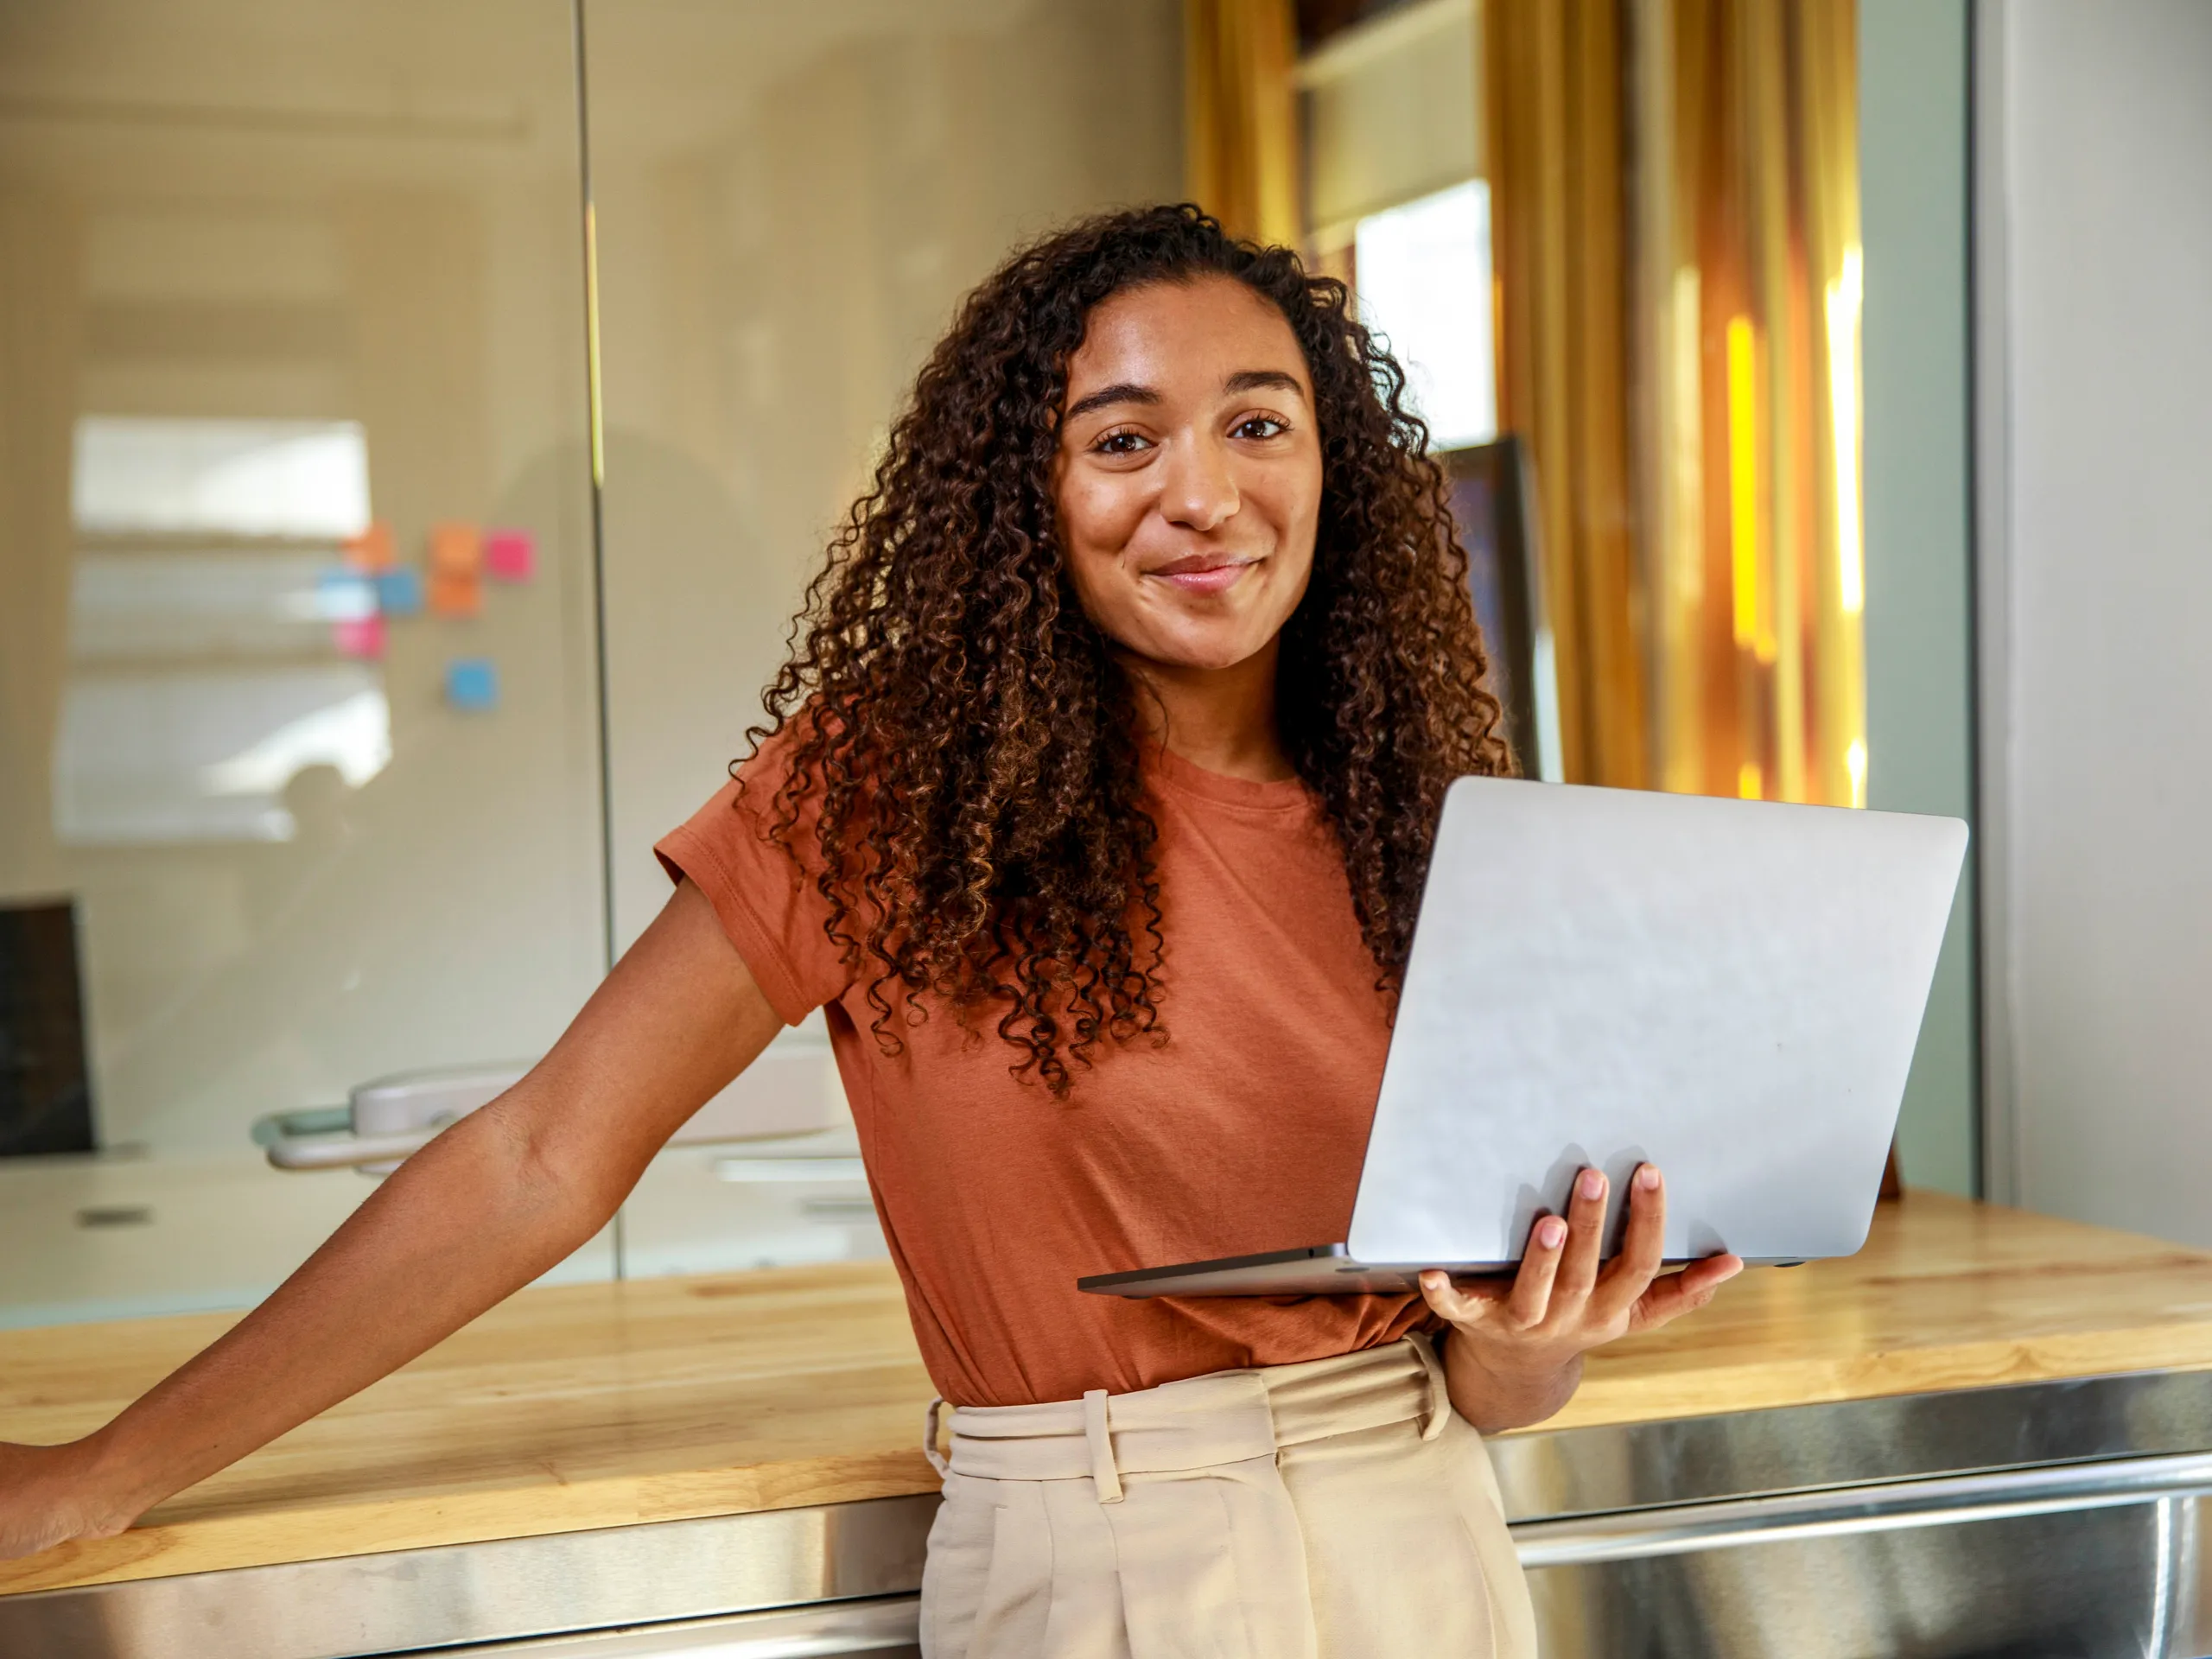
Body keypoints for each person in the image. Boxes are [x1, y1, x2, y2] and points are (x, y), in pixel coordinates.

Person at [0, 206, 1742, 1656]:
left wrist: (1529, 1345)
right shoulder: (894, 788)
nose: (1201, 493)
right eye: (1120, 439)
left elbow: (1490, 1388)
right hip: (1105, 1566)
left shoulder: (1419, 826)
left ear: (1334, 464)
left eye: (1258, 422)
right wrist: (104, 1472)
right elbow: (543, 1157)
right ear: (1022, 497)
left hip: (1428, 1541)